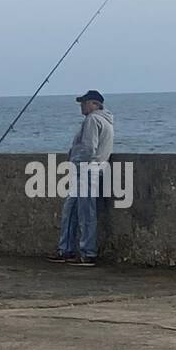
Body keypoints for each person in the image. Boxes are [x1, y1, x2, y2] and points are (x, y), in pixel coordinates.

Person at [48, 89, 114, 268]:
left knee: (80, 211)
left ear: (95, 104)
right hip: (95, 169)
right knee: (79, 210)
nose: (81, 106)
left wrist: (75, 161)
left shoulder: (93, 120)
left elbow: (88, 148)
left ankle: (83, 252)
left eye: (84, 103)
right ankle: (71, 250)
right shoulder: (106, 122)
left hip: (86, 169)